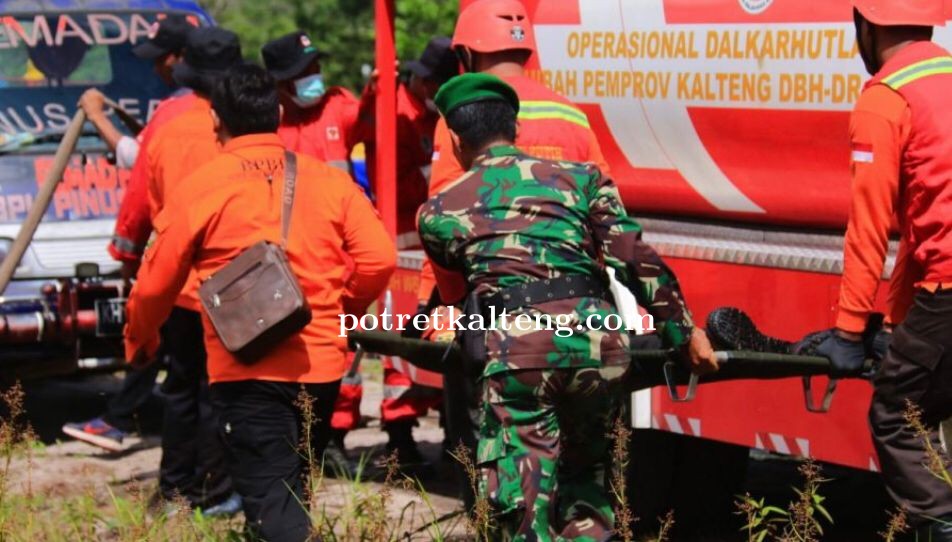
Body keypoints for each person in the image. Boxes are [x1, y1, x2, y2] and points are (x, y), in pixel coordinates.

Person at [417, 73, 718, 540]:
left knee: (520, 503)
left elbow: (459, 299)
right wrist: (683, 332)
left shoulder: (439, 211)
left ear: (455, 140)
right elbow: (634, 257)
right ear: (514, 129)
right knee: (589, 489)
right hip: (599, 348)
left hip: (519, 357)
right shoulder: (583, 180)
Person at [124, 63, 396, 542]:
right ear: (277, 113)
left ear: (216, 123)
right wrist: (341, 310)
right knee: (287, 493)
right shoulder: (330, 183)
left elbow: (153, 286)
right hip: (322, 369)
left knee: (276, 510)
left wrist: (139, 343)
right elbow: (379, 258)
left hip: (246, 371)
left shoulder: (201, 188)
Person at [814, 1, 952, 539]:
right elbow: (924, 229)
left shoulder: (888, 96)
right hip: (938, 283)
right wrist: (895, 326)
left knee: (898, 414)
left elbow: (871, 228)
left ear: (864, 24)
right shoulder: (945, 74)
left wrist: (849, 330)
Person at [62, 13, 194, 453]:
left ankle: (174, 468)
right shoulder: (210, 103)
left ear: (177, 58)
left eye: (161, 59)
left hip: (183, 254)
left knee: (168, 348)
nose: (156, 68)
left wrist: (97, 117)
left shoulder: (179, 109)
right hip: (204, 251)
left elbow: (139, 165)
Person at [138, 27, 245, 514]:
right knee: (219, 390)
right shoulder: (235, 131)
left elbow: (152, 202)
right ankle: (214, 490)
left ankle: (172, 486)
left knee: (180, 387)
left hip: (177, 282)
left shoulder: (165, 128)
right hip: (229, 282)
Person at [348, 36, 458, 466]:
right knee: (402, 347)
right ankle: (400, 441)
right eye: (429, 82)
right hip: (400, 243)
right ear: (421, 79)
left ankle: (451, 437)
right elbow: (369, 150)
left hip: (432, 244)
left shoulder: (442, 111)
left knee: (443, 340)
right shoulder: (392, 110)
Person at [261, 31, 360, 173]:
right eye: (305, 72)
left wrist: (377, 92)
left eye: (316, 68)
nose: (315, 76)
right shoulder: (265, 128)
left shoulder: (336, 107)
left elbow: (377, 121)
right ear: (280, 83)